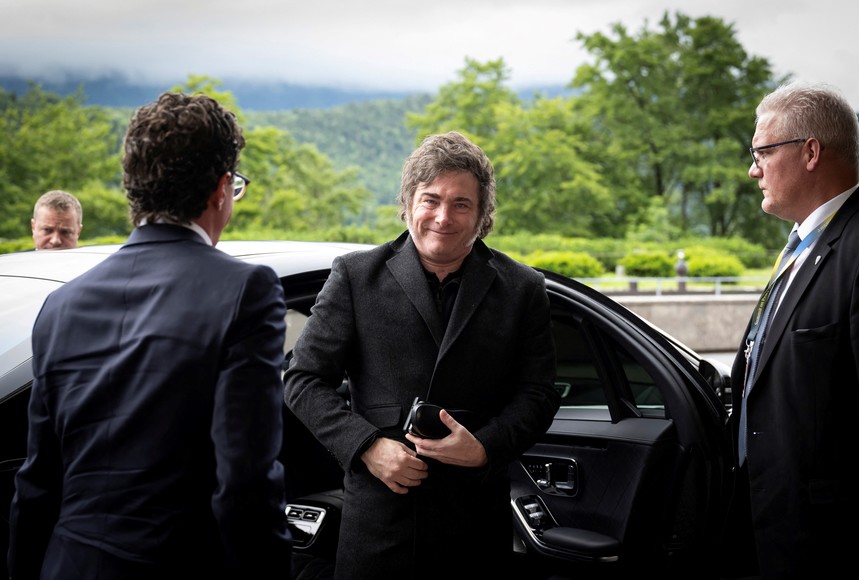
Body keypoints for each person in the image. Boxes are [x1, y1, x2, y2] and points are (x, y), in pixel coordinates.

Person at [7, 92, 295, 579]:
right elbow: (245, 480)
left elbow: (37, 482)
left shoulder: (60, 304)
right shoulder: (246, 290)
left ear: (132, 187)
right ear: (222, 189)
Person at [284, 130, 560, 579]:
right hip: (378, 526)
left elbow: (539, 394)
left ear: (482, 214)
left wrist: (484, 447)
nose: (442, 216)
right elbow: (302, 380)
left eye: (461, 204)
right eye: (431, 199)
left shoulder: (523, 288)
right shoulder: (356, 276)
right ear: (409, 203)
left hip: (474, 527)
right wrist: (367, 446)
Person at [725, 80, 859, 579]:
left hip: (830, 543)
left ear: (810, 152)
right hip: (769, 523)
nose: (753, 170)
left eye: (762, 151)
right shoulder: (803, 245)